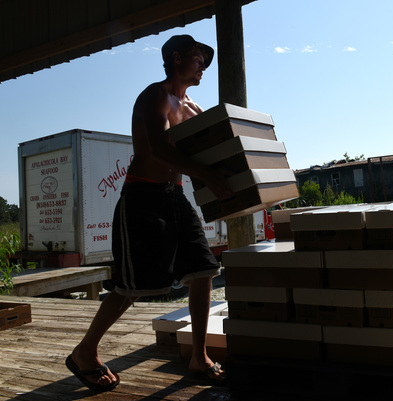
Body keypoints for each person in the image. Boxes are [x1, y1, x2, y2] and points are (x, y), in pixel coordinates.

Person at [65, 34, 233, 392]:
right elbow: (158, 148)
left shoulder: (195, 109)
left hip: (175, 196)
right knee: (134, 284)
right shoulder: (155, 95)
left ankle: (199, 356)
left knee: (204, 270)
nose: (203, 66)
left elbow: (210, 153)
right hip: (142, 196)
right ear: (176, 58)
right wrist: (207, 175)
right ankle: (84, 351)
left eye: (205, 61)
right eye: (197, 58)